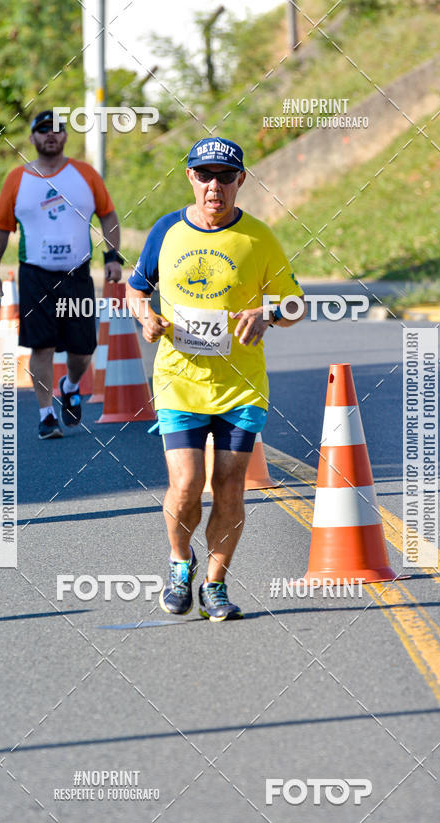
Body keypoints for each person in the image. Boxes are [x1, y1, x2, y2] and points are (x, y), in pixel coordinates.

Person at [126, 137, 305, 622]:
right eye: (204, 176)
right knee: (186, 483)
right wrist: (145, 316)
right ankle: (181, 563)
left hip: (240, 388)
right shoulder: (166, 231)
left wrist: (268, 312)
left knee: (229, 486)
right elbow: (136, 288)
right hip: (179, 381)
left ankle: (216, 583)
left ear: (240, 181)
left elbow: (295, 305)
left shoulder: (259, 238)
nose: (214, 187)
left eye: (225, 177)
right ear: (190, 178)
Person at [0, 110, 123, 439]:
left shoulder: (85, 175)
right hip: (35, 275)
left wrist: (112, 256)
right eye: (43, 130)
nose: (51, 135)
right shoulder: (18, 179)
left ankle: (70, 385)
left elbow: (108, 215)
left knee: (82, 350)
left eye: (57, 130)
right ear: (31, 138)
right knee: (42, 347)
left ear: (65, 137)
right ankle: (46, 414)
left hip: (76, 277)